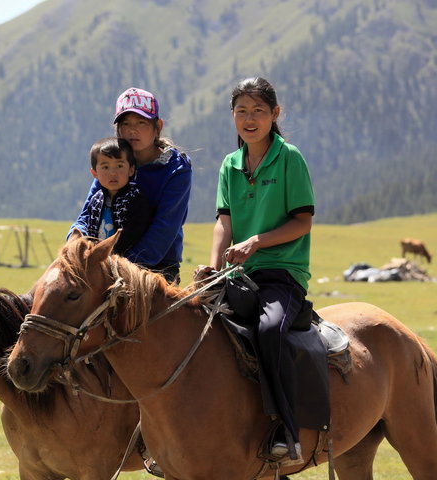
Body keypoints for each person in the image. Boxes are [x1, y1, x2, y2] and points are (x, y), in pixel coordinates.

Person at [194, 77, 315, 465]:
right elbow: (223, 223)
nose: (250, 118)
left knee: (268, 330)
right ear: (232, 116)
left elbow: (302, 222)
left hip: (282, 273)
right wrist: (211, 270)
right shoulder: (229, 165)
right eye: (242, 111)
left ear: (274, 114)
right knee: (190, 327)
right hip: (235, 276)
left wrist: (256, 242)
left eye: (258, 110)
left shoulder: (290, 157)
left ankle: (287, 429)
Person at [70, 87, 192, 284]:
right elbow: (88, 212)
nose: (132, 130)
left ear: (157, 126)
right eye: (125, 123)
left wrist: (117, 268)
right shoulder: (113, 161)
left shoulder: (176, 168)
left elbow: (163, 230)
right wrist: (74, 243)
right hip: (103, 266)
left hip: (155, 269)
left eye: (141, 122)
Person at [71, 136, 153, 256]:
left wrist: (113, 254)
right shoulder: (96, 200)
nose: (113, 173)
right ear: (95, 173)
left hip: (124, 264)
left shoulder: (135, 198)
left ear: (131, 170)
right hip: (96, 261)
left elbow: (135, 233)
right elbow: (89, 229)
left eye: (119, 166)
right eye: (105, 167)